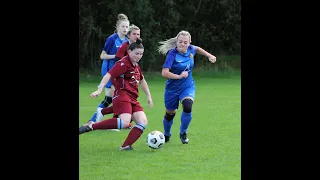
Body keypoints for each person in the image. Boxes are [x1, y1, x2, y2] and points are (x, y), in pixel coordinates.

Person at [79, 40, 153, 151]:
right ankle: (91, 126)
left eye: (141, 54)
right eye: (136, 53)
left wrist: (149, 96)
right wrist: (99, 89)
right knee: (125, 122)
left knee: (143, 122)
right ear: (129, 51)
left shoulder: (136, 66)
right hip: (122, 95)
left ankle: (125, 146)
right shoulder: (123, 63)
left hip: (133, 98)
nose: (139, 56)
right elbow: (109, 74)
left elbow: (142, 81)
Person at [157, 30, 216, 144]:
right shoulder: (172, 54)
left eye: (185, 42)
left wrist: (209, 55)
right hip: (172, 89)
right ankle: (167, 134)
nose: (182, 44)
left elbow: (197, 49)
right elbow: (164, 73)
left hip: (187, 86)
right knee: (170, 114)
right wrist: (178, 76)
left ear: (189, 43)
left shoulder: (191, 49)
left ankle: (183, 133)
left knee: (188, 106)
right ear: (176, 42)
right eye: (180, 42)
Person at [86, 13, 129, 126]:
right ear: (118, 27)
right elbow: (102, 55)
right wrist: (115, 56)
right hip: (108, 72)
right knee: (116, 97)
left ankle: (95, 120)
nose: (125, 29)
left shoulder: (126, 41)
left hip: (117, 73)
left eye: (126, 27)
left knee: (110, 98)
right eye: (123, 26)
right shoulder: (112, 39)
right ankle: (112, 122)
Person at [95, 24, 142, 124]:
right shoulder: (124, 46)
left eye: (138, 34)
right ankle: (98, 120)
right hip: (118, 76)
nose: (136, 36)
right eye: (134, 34)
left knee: (117, 99)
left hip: (127, 77)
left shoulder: (137, 47)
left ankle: (105, 115)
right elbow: (118, 61)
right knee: (118, 98)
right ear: (129, 35)